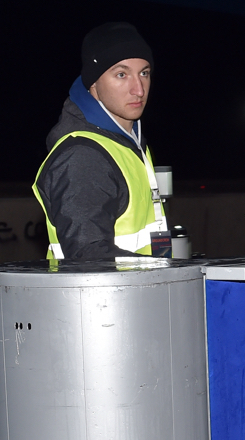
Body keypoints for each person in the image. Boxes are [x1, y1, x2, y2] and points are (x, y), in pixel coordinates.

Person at [34, 22, 167, 261]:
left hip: (143, 294)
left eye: (144, 73)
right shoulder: (83, 155)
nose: (138, 89)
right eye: (121, 74)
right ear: (93, 83)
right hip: (103, 298)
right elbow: (88, 256)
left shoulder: (129, 144)